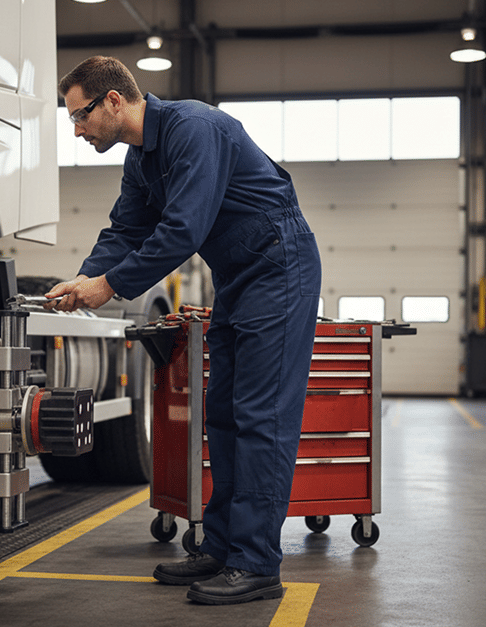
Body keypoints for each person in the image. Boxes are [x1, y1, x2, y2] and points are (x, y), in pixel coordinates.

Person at [46, 56, 321, 606]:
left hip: (279, 266)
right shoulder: (141, 160)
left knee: (262, 418)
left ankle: (257, 562)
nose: (77, 131)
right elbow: (126, 226)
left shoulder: (195, 129)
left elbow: (183, 229)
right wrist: (85, 276)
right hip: (239, 275)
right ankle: (222, 546)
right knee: (222, 415)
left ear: (114, 101)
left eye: (80, 117)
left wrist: (111, 286)